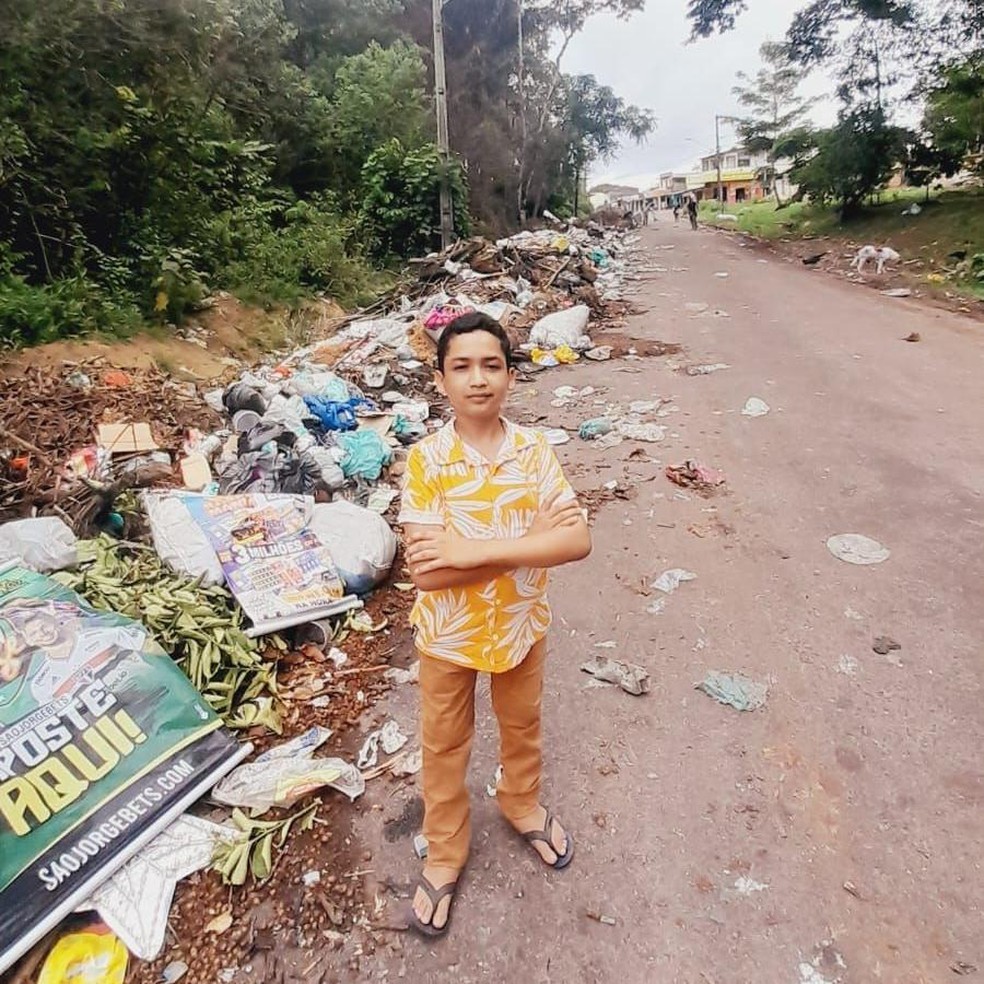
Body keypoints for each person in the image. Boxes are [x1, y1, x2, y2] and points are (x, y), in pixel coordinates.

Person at [399, 312, 592, 938]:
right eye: (462, 367)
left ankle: (521, 802)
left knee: (522, 727)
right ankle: (447, 850)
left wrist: (470, 550)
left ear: (510, 374)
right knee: (445, 744)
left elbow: (577, 539)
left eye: (492, 365)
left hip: (520, 626)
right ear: (440, 379)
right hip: (448, 637)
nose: (478, 380)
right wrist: (527, 540)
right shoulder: (426, 461)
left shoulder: (535, 451)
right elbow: (427, 576)